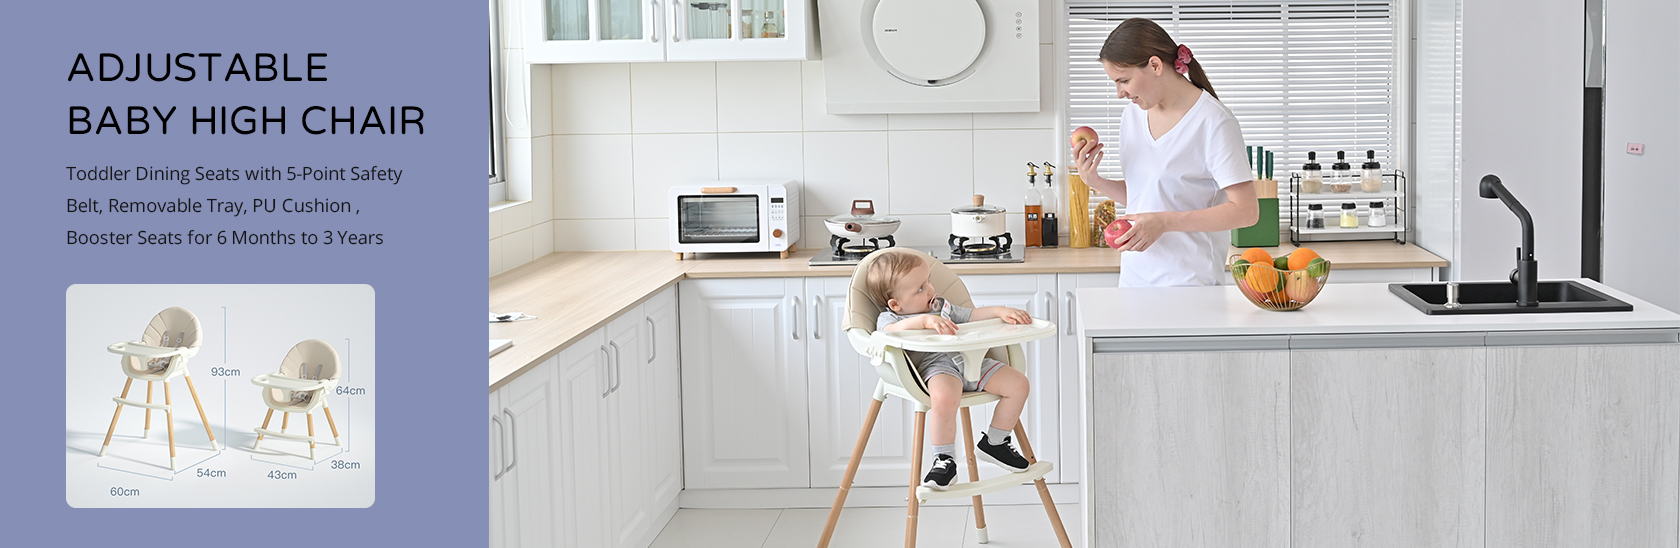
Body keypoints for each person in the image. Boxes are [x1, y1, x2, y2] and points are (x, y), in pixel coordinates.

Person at [1071, 18, 1259, 287]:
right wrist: (1095, 181)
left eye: (1123, 80)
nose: (1119, 93)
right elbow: (1148, 195)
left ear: (1155, 65)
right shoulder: (1132, 117)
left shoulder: (1214, 122)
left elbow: (1246, 211)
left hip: (1190, 286)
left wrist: (1163, 222)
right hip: (1134, 283)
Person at [867, 252, 1034, 490]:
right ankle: (944, 459)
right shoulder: (889, 317)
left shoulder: (941, 306)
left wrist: (999, 311)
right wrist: (924, 321)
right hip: (938, 367)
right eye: (920, 288)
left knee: (1019, 384)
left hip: (973, 361)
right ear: (896, 303)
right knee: (945, 399)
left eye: (929, 281)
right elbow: (890, 331)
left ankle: (995, 442)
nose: (930, 289)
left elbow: (971, 316)